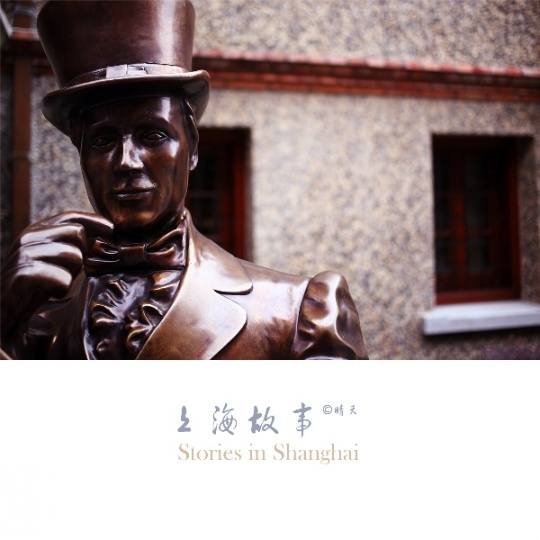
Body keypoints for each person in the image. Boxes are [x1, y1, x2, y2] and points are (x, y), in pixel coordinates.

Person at [0, 0, 368, 360]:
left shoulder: (297, 313)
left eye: (152, 135)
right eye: (102, 140)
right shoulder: (37, 316)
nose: (126, 162)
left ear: (192, 148)